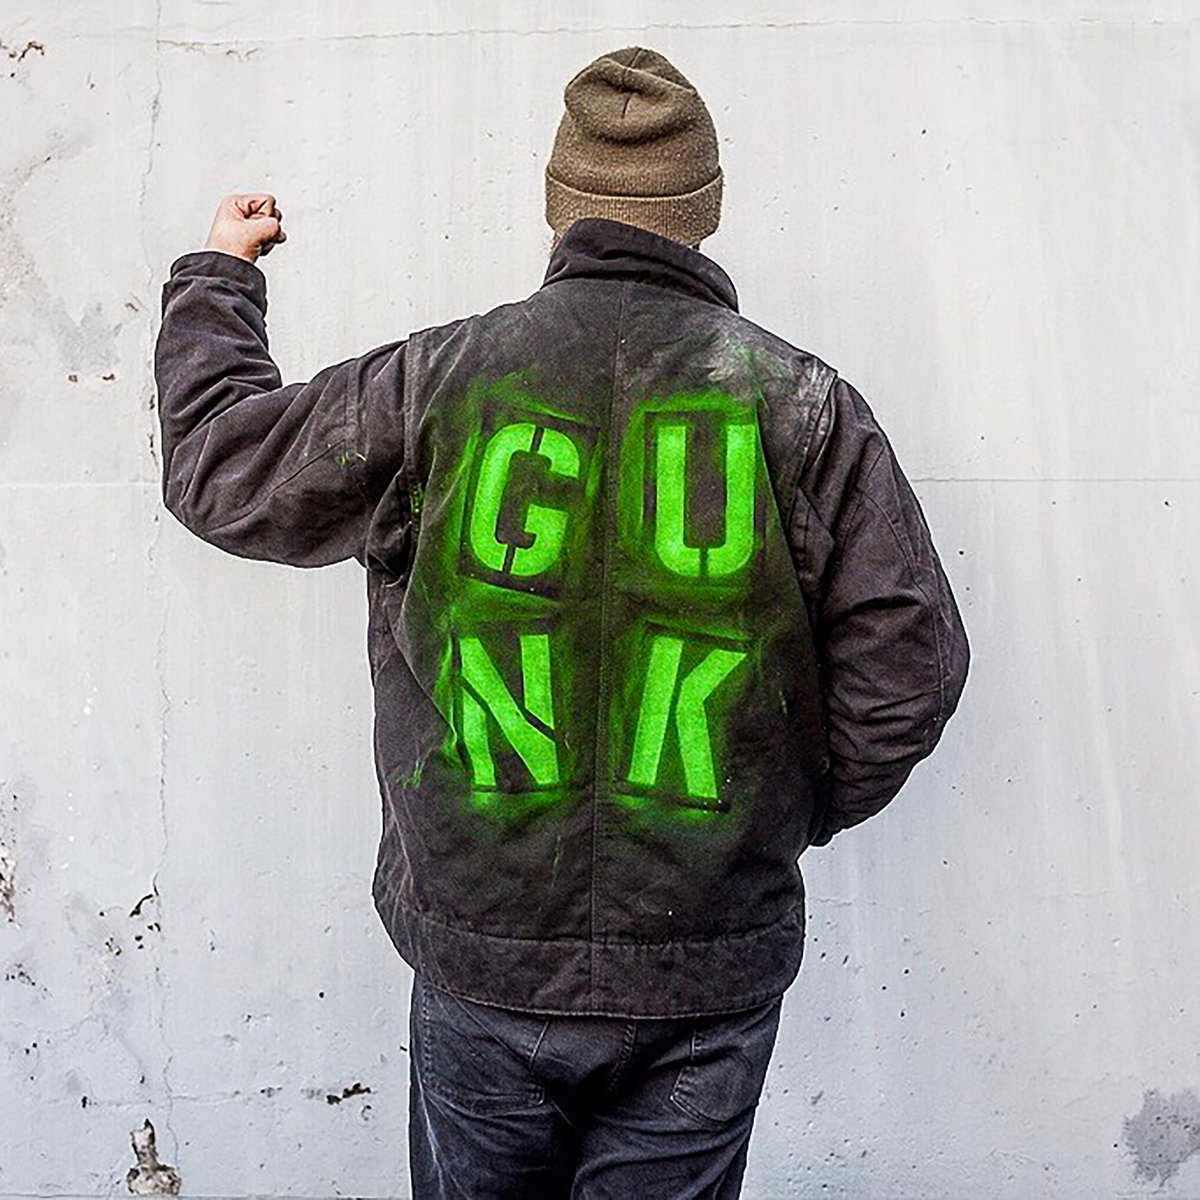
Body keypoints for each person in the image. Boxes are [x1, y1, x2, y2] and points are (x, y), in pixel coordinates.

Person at [155, 45, 969, 1200]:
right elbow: (909, 668)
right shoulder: (805, 405)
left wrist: (219, 278)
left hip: (484, 954)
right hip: (708, 961)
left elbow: (219, 470)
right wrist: (772, 814)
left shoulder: (440, 379)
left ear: (559, 206)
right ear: (704, 210)